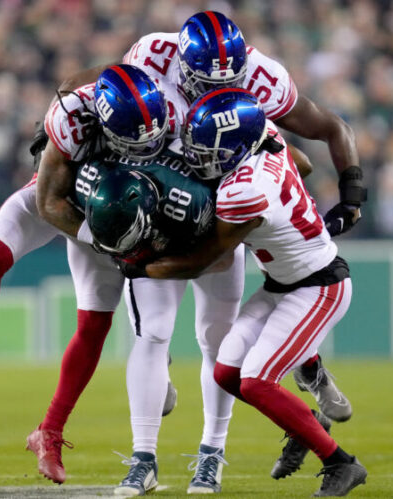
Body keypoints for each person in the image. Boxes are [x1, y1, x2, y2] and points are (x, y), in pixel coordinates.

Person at [0, 65, 177, 483]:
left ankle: (49, 432)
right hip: (61, 198)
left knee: (94, 324)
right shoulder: (73, 117)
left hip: (113, 214)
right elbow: (48, 205)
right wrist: (96, 237)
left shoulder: (163, 108)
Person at [119, 89, 367, 497]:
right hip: (281, 283)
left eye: (210, 150)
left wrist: (141, 265)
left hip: (319, 286)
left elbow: (203, 260)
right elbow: (300, 163)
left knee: (255, 382)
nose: (199, 157)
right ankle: (306, 424)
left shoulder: (244, 193)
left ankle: (340, 462)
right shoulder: (263, 137)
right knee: (227, 373)